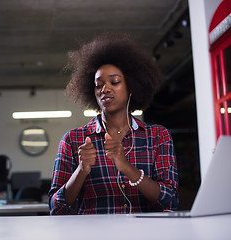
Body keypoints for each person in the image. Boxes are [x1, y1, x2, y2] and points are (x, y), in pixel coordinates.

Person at [48, 32, 178, 215]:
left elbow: (170, 201)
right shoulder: (73, 140)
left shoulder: (157, 136)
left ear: (132, 86)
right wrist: (81, 171)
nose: (105, 89)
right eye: (98, 85)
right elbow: (56, 208)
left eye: (114, 82)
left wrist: (127, 168)